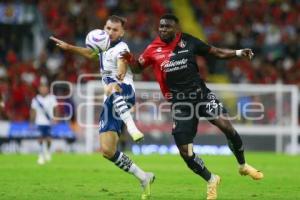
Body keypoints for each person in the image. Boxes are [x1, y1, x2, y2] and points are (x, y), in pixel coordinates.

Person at [121, 13, 263, 200]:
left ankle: (243, 166)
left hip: (201, 95)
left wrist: (237, 53)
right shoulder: (152, 49)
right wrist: (130, 59)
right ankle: (211, 179)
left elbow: (215, 52)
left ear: (176, 29)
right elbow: (139, 68)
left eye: (167, 26)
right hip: (181, 104)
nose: (163, 29)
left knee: (226, 126)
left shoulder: (188, 41)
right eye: (161, 26)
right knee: (185, 152)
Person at [50, 15, 154, 200]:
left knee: (111, 86)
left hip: (125, 91)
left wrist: (120, 76)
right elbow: (90, 53)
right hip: (111, 98)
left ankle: (132, 127)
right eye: (108, 28)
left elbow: (122, 66)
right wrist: (69, 48)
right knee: (107, 151)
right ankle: (143, 177)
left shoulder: (122, 48)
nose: (110, 32)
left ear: (122, 32)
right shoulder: (102, 46)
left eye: (115, 30)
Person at [30, 83, 58, 165]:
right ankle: (41, 154)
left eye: (45, 88)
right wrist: (32, 122)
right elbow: (33, 111)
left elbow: (56, 108)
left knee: (49, 139)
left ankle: (48, 151)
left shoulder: (52, 98)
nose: (43, 90)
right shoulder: (36, 99)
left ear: (47, 89)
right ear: (39, 89)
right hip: (39, 122)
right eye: (42, 88)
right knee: (40, 138)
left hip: (49, 122)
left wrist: (55, 118)